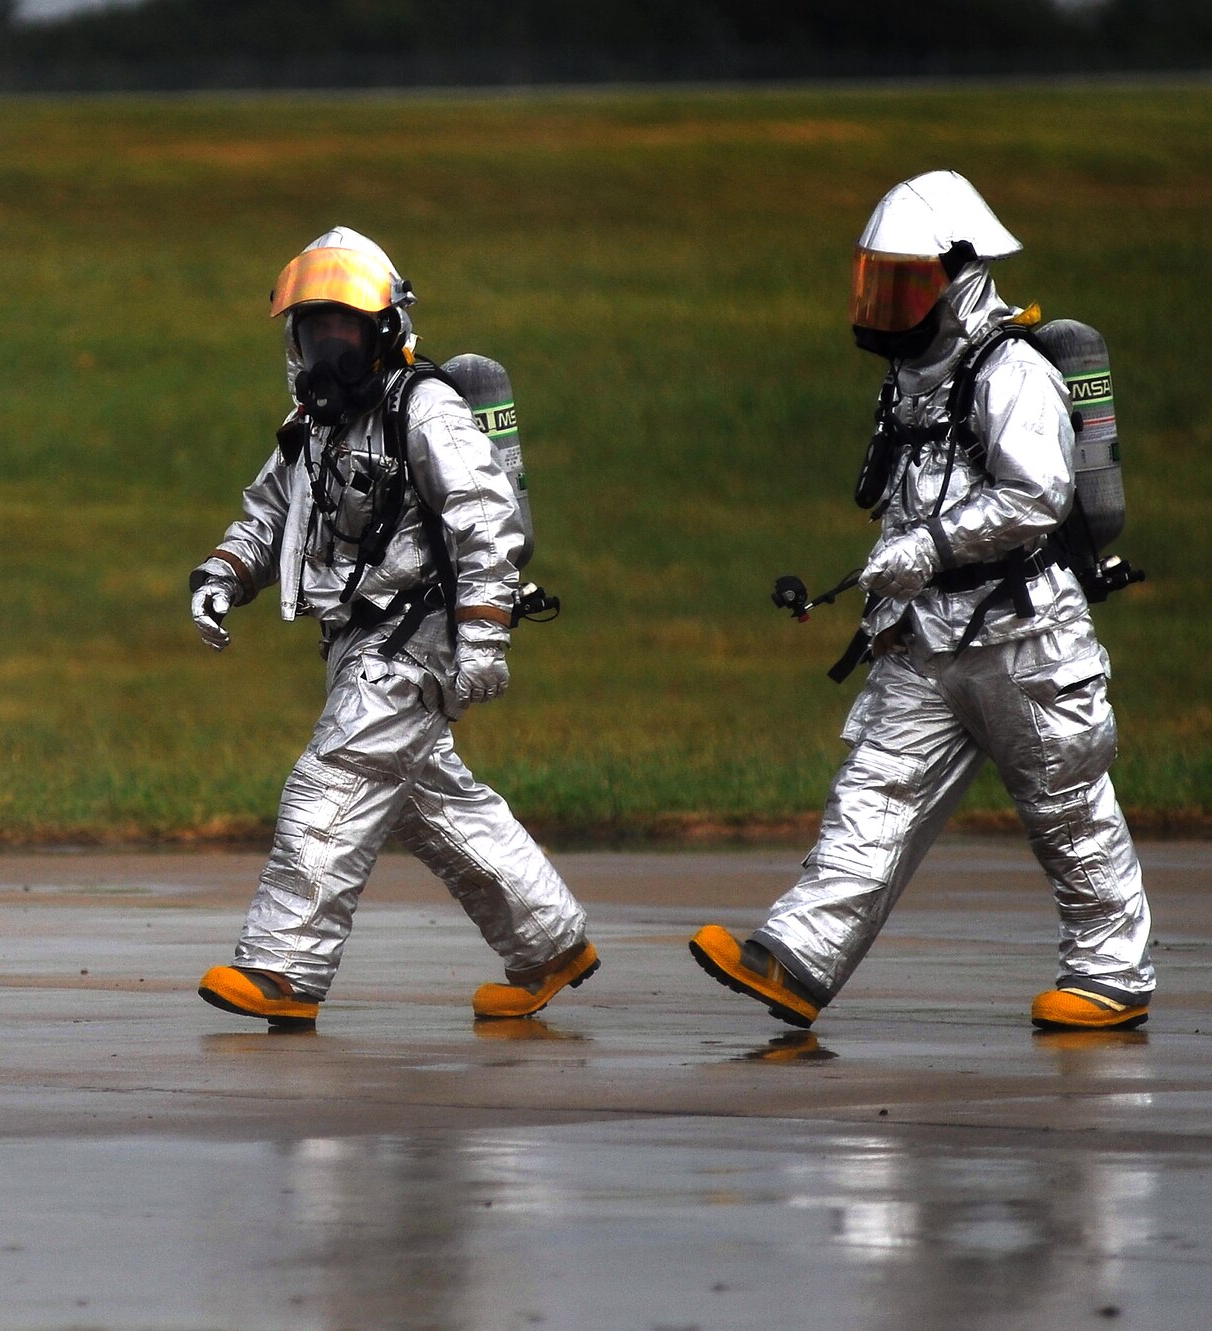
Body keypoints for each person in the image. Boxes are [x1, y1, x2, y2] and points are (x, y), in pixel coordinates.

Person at [690, 171, 1154, 1032]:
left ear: (959, 278)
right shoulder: (912, 383)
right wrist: (890, 581)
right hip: (924, 636)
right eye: (878, 284)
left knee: (1068, 809)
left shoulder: (1012, 371)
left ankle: (1111, 974)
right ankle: (798, 956)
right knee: (874, 791)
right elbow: (907, 501)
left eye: (904, 285)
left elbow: (1037, 495)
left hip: (1026, 634)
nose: (885, 305)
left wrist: (929, 548)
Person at [190, 226, 595, 1028]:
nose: (329, 350)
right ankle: (551, 944)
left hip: (417, 639)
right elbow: (267, 515)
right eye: (315, 332)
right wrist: (220, 576)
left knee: (330, 779)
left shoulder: (428, 407)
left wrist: (483, 636)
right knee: (438, 805)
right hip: (356, 641)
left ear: (384, 331)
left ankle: (282, 967)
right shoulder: (310, 427)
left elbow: (487, 520)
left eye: (345, 330)